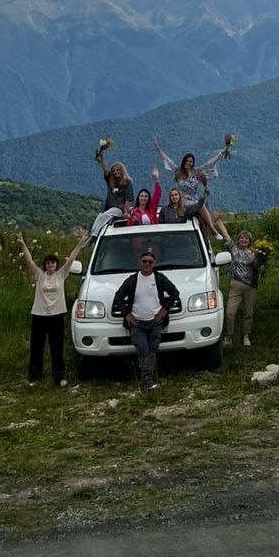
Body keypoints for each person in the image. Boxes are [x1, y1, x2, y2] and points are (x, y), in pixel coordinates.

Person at [17, 228, 88, 387]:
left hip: (56, 315)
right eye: (48, 263)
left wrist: (81, 242)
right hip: (39, 315)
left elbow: (72, 258)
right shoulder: (39, 275)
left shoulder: (61, 274)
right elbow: (29, 261)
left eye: (53, 263)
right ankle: (34, 376)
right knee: (37, 347)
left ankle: (59, 376)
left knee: (57, 348)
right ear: (45, 265)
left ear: (56, 265)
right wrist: (23, 245)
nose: (50, 265)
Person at [111, 249, 182, 392]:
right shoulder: (132, 280)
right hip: (137, 323)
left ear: (154, 263)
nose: (147, 264)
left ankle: (146, 382)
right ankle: (147, 382)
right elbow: (118, 297)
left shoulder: (160, 278)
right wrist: (127, 314)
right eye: (144, 261)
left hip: (155, 321)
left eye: (150, 262)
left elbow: (175, 292)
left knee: (152, 351)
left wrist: (164, 310)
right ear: (140, 262)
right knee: (143, 350)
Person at [154, 138, 232, 243]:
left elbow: (211, 163)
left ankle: (206, 243)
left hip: (194, 200)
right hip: (183, 201)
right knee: (200, 206)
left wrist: (224, 150)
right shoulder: (178, 171)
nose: (188, 163)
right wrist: (157, 147)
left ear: (193, 163)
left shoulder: (196, 172)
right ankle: (214, 231)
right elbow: (166, 158)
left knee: (201, 217)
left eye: (190, 161)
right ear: (183, 161)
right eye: (187, 161)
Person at [89, 147, 135, 239]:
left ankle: (95, 234)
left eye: (117, 170)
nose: (115, 172)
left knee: (105, 216)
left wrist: (126, 212)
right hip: (108, 208)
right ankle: (93, 238)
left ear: (122, 171)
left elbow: (128, 199)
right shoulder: (111, 181)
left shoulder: (127, 182)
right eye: (114, 171)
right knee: (97, 221)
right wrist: (101, 156)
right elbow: (105, 169)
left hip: (118, 209)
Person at [224, 230, 260, 347]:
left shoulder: (254, 253)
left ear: (250, 241)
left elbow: (258, 268)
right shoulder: (234, 251)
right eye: (241, 237)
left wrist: (260, 262)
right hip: (235, 285)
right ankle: (229, 336)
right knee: (230, 312)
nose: (243, 239)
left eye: (246, 238)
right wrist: (218, 222)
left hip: (250, 287)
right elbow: (226, 237)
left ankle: (246, 335)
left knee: (248, 312)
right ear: (238, 239)